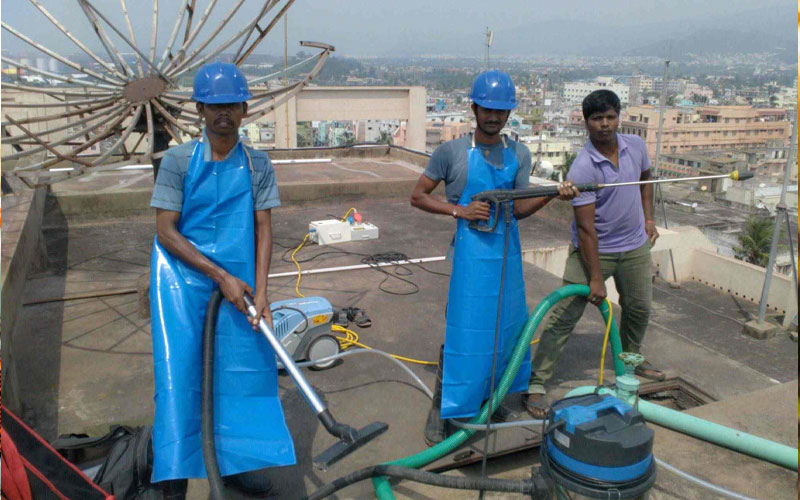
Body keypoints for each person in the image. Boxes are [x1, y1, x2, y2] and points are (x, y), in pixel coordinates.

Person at [148, 61, 294, 496]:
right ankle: (172, 479)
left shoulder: (257, 164)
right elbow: (165, 230)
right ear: (200, 109)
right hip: (181, 286)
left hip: (239, 289)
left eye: (231, 103)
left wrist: (263, 294)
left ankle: (233, 466)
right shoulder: (176, 161)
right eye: (214, 105)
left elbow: (264, 228)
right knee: (179, 379)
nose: (223, 112)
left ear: (244, 108)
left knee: (240, 377)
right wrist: (217, 275)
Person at [410, 70, 578, 445]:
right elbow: (418, 196)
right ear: (474, 107)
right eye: (487, 109)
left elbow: (517, 209)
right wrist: (460, 212)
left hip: (506, 253)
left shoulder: (519, 153)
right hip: (471, 256)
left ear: (508, 114)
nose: (493, 117)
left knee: (505, 330)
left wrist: (552, 193)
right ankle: (446, 404)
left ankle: (492, 397)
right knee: (466, 331)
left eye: (501, 111)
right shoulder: (451, 152)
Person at [525, 89, 664, 419]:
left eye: (610, 117)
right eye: (597, 119)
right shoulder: (585, 167)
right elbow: (586, 229)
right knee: (564, 316)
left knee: (640, 307)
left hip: (633, 246)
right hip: (592, 252)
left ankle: (631, 358)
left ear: (619, 117)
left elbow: (646, 180)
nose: (604, 124)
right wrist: (596, 279)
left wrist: (648, 218)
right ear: (586, 123)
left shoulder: (637, 147)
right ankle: (537, 382)